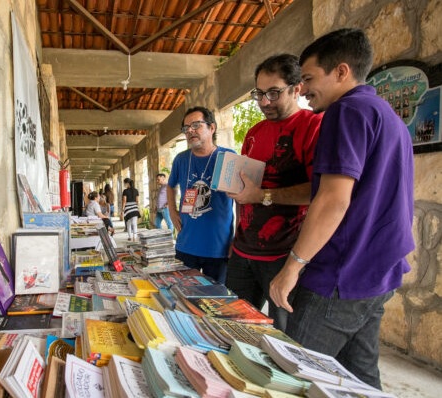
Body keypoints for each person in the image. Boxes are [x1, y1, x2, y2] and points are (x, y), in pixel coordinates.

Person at [269, 28, 414, 389]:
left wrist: (292, 267)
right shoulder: (388, 116)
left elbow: (333, 199)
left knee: (294, 377)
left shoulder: (345, 111)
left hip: (342, 275)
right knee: (360, 378)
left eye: (308, 78)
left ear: (342, 72)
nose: (302, 89)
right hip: (379, 271)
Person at [225, 54, 323, 331]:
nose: (264, 102)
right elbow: (245, 192)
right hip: (243, 251)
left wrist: (262, 196)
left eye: (273, 93)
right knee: (234, 327)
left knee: (287, 337)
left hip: (284, 255)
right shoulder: (255, 132)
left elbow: (320, 191)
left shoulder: (313, 126)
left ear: (297, 89)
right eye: (259, 94)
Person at [167, 106, 235, 284]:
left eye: (196, 125)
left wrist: (238, 237)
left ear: (212, 128)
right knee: (184, 297)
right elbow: (170, 186)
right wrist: (173, 212)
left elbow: (241, 200)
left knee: (216, 301)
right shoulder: (181, 159)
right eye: (186, 128)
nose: (190, 131)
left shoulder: (228, 157)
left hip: (218, 247)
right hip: (186, 244)